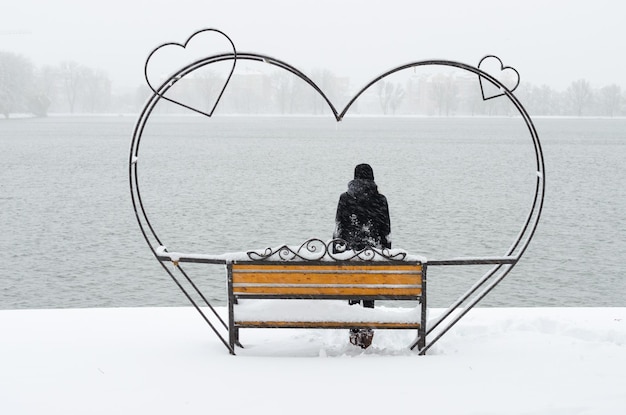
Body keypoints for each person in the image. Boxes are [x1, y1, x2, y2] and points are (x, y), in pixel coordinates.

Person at [333, 163, 391, 349]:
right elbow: (386, 232)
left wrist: (338, 254)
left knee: (353, 292)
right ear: (372, 178)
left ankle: (354, 333)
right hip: (371, 255)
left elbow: (339, 229)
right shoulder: (380, 200)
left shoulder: (345, 198)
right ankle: (366, 334)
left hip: (350, 255)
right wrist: (386, 254)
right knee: (368, 291)